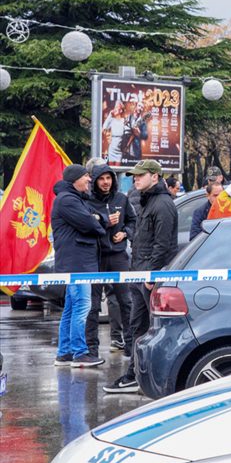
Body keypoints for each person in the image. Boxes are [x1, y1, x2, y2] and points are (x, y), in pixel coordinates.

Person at [106, 159, 177, 393]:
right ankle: (134, 373)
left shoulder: (163, 204)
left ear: (154, 176)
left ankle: (154, 375)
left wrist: (153, 274)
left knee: (153, 328)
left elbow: (164, 244)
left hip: (149, 275)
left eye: (139, 175)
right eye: (134, 176)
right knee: (138, 325)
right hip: (139, 272)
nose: (135, 178)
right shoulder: (148, 201)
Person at [50, 165, 108, 368]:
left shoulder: (75, 199)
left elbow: (99, 217)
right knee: (82, 306)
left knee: (71, 308)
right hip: (77, 263)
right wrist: (97, 221)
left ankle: (64, 353)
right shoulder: (67, 200)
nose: (89, 181)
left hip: (76, 262)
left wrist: (98, 219)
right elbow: (91, 224)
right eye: (86, 177)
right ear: (75, 179)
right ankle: (80, 353)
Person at [85, 163, 137, 355]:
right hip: (96, 257)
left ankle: (130, 346)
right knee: (93, 304)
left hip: (118, 256)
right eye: (101, 179)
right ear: (95, 181)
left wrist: (125, 233)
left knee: (126, 301)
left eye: (109, 178)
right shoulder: (88, 201)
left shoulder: (121, 199)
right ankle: (92, 350)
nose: (105, 182)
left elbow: (133, 221)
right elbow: (86, 225)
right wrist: (106, 222)